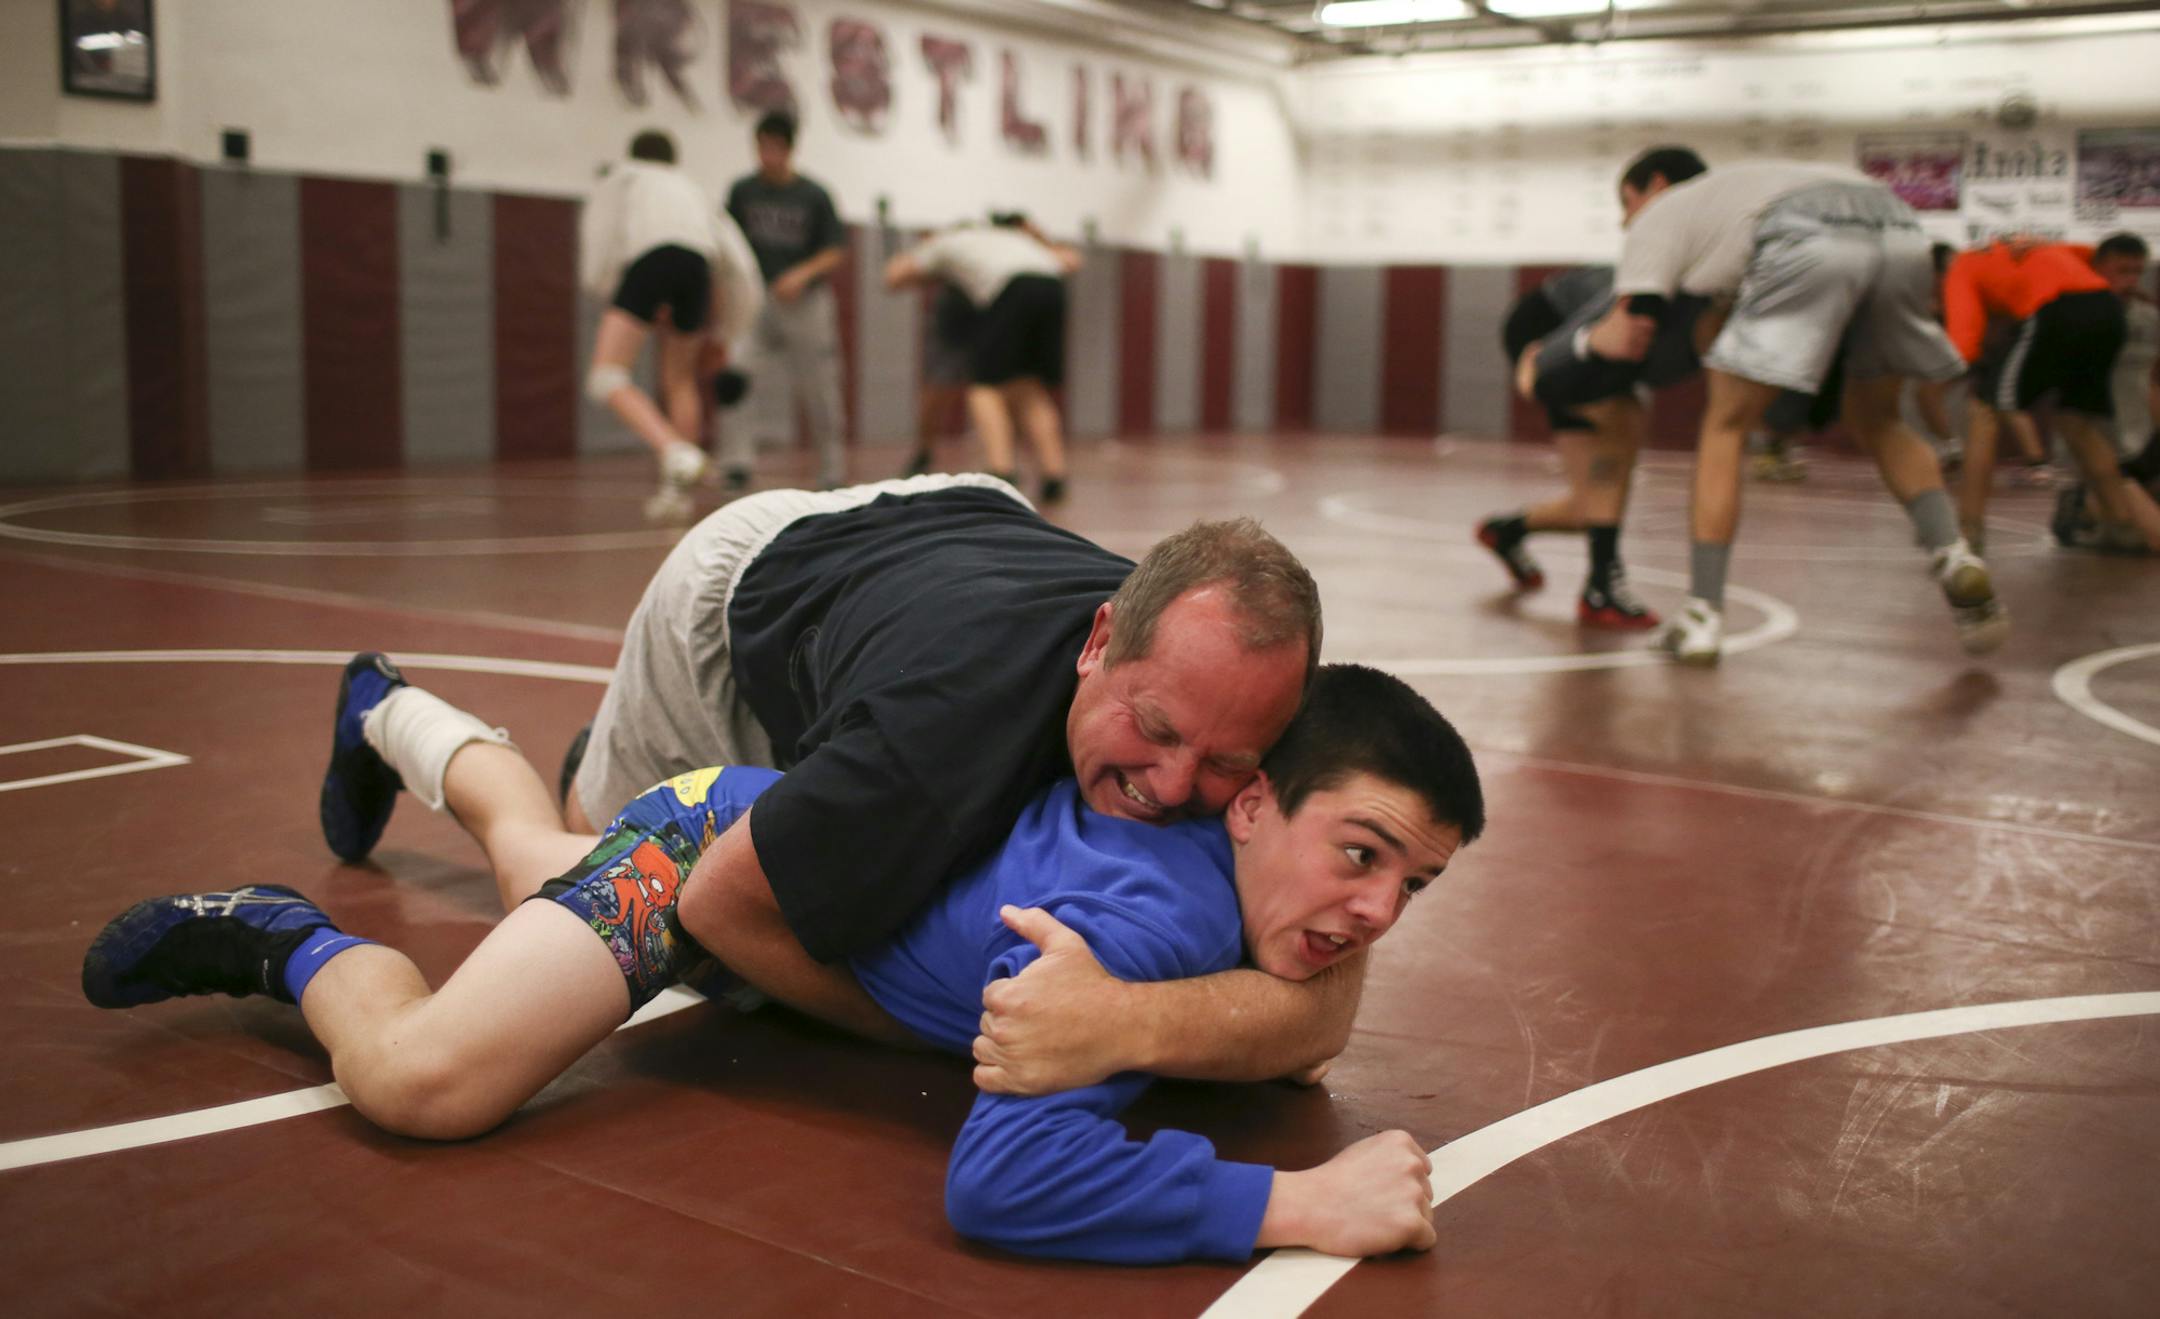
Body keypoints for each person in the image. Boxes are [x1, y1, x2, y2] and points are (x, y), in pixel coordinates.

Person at [82, 663, 1483, 1265]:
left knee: (535, 862)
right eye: (1359, 854)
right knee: (424, 1078)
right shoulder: (1153, 920)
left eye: (1410, 883)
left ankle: (393, 710)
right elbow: (1003, 1178)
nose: (1376, 912)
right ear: (1249, 800)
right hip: (714, 853)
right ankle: (282, 933)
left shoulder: (1216, 840)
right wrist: (1286, 1200)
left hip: (779, 861)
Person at [325, 476, 1347, 1096]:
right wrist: (962, 1030)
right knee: (563, 865)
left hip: (970, 533)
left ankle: (624, 760)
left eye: (1225, 764)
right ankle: (395, 714)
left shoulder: (1241, 685)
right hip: (749, 582)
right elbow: (717, 899)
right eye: (1156, 730)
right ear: (1099, 643)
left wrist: (1126, 1024)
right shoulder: (933, 746)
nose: (1175, 785)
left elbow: (1335, 979)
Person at [1582, 150, 2007, 664]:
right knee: (1880, 417)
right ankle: (1953, 553)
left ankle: (1701, 617)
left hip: (1800, 229)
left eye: (1624, 202)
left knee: (1726, 425)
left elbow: (1633, 328)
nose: (1623, 218)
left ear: (1651, 185)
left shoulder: (1662, 216)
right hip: (1896, 224)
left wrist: (1569, 353)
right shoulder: (1735, 192)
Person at [1476, 249, 1704, 629]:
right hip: (1545, 327)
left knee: (1589, 508)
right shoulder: (1656, 288)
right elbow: (1544, 360)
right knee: (1625, 416)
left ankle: (1506, 531)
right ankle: (1601, 585)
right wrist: (1537, 367)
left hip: (1578, 341)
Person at [579, 129, 763, 523]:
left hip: (652, 261)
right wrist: (728, 333)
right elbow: (739, 263)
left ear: (633, 157)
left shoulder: (623, 178)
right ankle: (676, 493)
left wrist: (613, 293)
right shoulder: (693, 188)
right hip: (699, 268)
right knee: (679, 380)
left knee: (606, 376)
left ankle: (675, 451)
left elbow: (600, 244)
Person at [1941, 235, 2160, 554]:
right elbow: (2089, 253)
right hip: (2108, 311)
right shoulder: (2036, 248)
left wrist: (1970, 365)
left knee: (1983, 413)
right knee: (2077, 423)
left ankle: (1967, 531)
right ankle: (2121, 523)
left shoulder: (1961, 268)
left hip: (2056, 308)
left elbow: (1962, 345)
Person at [886, 214, 1082, 504]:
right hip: (1052, 289)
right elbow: (1072, 261)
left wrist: (930, 263)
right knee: (1029, 388)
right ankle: (1054, 476)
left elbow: (893, 276)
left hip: (1013, 291)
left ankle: (1001, 471)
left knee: (984, 387)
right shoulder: (1014, 239)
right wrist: (1040, 239)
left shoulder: (947, 242)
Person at [719, 111, 851, 491]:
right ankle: (736, 461)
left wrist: (802, 274)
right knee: (735, 373)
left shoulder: (813, 194)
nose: (766, 155)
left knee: (820, 386)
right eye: (761, 147)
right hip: (755, 301)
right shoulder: (743, 191)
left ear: (789, 150)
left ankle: (831, 467)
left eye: (774, 148)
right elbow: (730, 242)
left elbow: (835, 249)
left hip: (805, 302)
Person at [2048, 233, 2160, 552]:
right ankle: (2083, 502)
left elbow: (2153, 379)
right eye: (2122, 271)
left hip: (2144, 441)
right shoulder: (2077, 317)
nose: (2131, 280)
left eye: (2137, 272)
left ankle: (2097, 509)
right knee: (2153, 541)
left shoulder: (2148, 317)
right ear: (2098, 269)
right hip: (2104, 446)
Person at [897, 282, 977, 478]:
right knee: (938, 387)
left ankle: (1004, 463)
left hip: (997, 309)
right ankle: (923, 451)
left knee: (998, 389)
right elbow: (895, 275)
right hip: (953, 315)